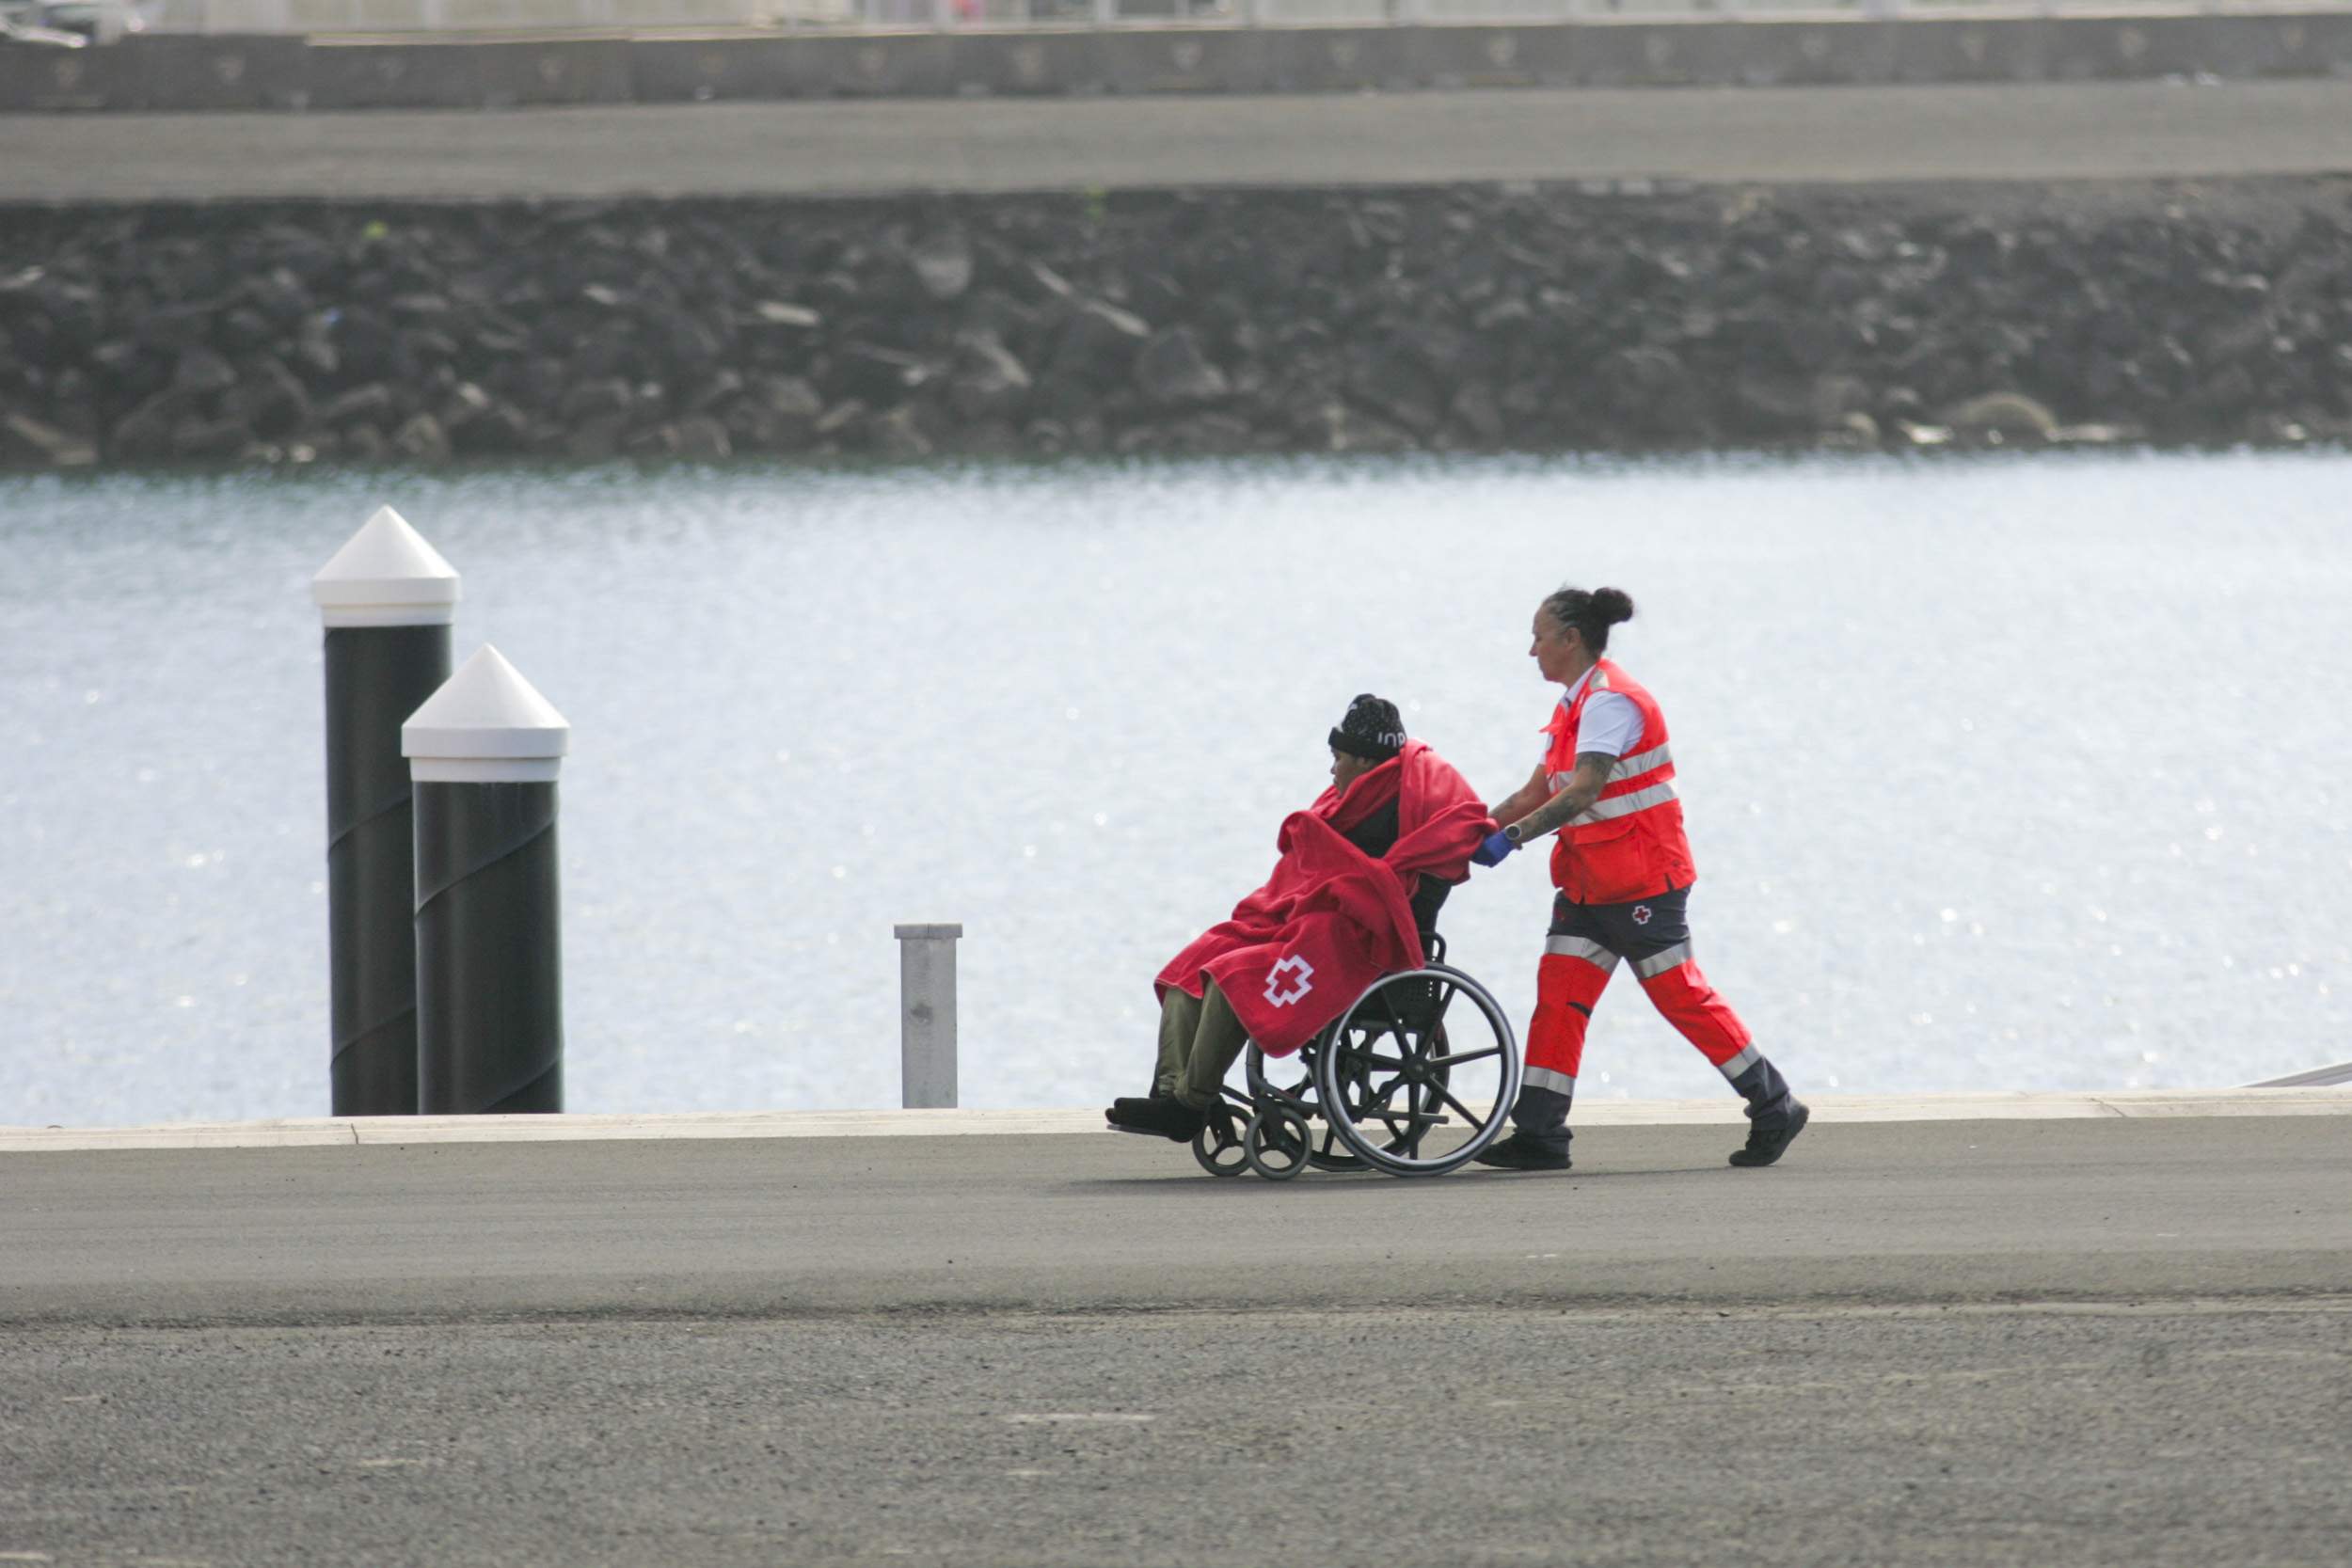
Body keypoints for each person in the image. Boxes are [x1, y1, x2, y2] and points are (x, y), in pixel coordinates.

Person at [1468, 586, 1807, 1172]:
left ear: (1570, 640)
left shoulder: (1609, 704)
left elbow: (1584, 791)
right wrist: (1467, 828)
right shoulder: (1573, 707)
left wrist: (1513, 839)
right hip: (1589, 884)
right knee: (1558, 1000)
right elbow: (1535, 792)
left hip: (1642, 882)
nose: (1531, 651)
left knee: (1681, 998)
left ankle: (1774, 1105)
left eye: (1538, 637)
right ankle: (1541, 1135)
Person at [1107, 694, 1488, 1144]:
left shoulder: (1414, 798)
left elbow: (1382, 881)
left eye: (1338, 758)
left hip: (1362, 941)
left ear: (1366, 761)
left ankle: (1192, 1101)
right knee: (1194, 965)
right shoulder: (1347, 799)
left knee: (1232, 975)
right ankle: (1171, 1093)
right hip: (1309, 920)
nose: (1331, 770)